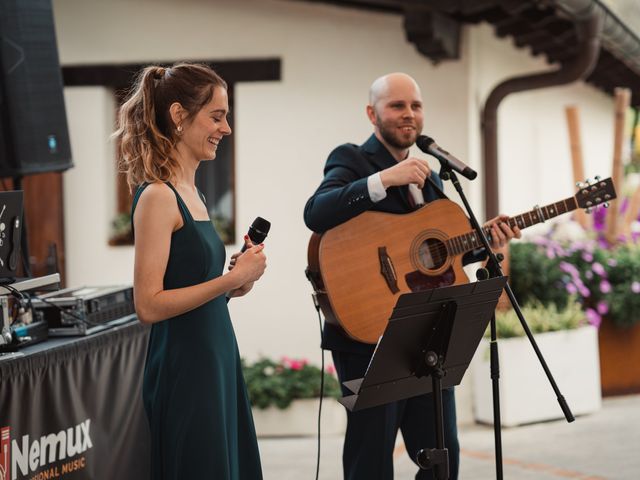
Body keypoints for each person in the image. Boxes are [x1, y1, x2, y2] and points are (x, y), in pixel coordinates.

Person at [303, 72, 521, 480]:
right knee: (371, 453)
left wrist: (486, 238)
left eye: (416, 106)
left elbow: (435, 254)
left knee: (441, 454)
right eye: (397, 106)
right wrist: (384, 179)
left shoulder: (435, 177)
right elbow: (316, 212)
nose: (409, 114)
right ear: (373, 113)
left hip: (426, 332)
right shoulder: (352, 159)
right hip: (363, 332)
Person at [114, 63, 266, 480]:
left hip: (215, 357)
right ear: (179, 116)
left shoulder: (194, 193)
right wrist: (229, 279)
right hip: (186, 367)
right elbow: (148, 304)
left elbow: (197, 285)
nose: (227, 128)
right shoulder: (158, 197)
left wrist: (238, 284)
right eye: (216, 116)